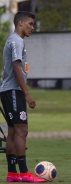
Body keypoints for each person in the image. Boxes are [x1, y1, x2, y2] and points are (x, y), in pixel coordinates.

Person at [0, 11, 45, 183]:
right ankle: (24, 172)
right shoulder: (17, 41)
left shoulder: (13, 40)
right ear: (20, 23)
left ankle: (12, 173)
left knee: (12, 131)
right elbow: (16, 67)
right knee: (21, 130)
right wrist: (26, 93)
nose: (32, 28)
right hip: (13, 91)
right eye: (30, 24)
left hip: (8, 90)